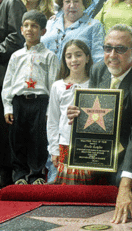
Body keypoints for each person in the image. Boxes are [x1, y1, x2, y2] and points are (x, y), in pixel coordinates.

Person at [67, 24, 132, 223]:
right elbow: (97, 120)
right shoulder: (97, 70)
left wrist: (125, 186)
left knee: (119, 180)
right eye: (107, 48)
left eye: (120, 49)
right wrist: (80, 115)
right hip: (109, 150)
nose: (112, 54)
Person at [1, 10, 59, 185]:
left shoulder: (49, 56)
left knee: (38, 139)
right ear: (20, 29)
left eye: (34, 26)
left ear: (43, 31)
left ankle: (36, 175)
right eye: (26, 25)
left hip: (40, 102)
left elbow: (54, 85)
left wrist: (50, 110)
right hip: (19, 102)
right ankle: (19, 175)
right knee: (17, 139)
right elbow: (8, 85)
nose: (29, 29)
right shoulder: (16, 56)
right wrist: (8, 107)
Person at [47, 39, 94, 185]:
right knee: (69, 190)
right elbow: (53, 121)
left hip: (90, 144)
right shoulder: (58, 86)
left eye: (78, 55)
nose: (74, 60)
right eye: (69, 56)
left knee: (89, 189)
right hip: (66, 143)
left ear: (87, 57)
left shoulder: (94, 84)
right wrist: (54, 149)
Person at [0, 0, 27, 188]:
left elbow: (16, 37)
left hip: (5, 75)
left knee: (4, 130)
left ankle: (6, 177)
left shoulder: (12, 2)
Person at [41, 0, 105, 63]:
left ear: (83, 3)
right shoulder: (51, 23)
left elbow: (98, 59)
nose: (72, 5)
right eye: (67, 1)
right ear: (62, 4)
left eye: (76, 1)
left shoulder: (94, 26)